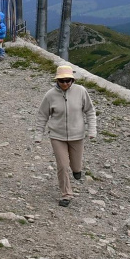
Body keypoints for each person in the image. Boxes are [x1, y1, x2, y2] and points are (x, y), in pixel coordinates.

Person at [35, 65, 97, 208]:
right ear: (57, 80)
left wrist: (92, 131)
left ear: (72, 79)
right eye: (62, 80)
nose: (65, 83)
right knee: (63, 165)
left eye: (68, 80)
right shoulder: (50, 95)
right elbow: (42, 116)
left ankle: (76, 170)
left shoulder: (81, 91)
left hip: (77, 135)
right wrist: (38, 134)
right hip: (57, 136)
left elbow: (90, 111)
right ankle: (66, 194)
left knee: (75, 165)